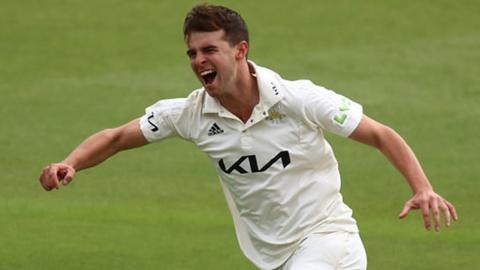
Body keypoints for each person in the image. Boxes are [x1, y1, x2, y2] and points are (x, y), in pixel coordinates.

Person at [39, 4, 458, 270]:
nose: (198, 60)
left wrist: (422, 187)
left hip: (329, 242)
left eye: (208, 50)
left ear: (240, 50)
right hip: (270, 256)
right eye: (192, 53)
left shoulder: (299, 99)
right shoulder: (191, 114)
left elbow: (381, 134)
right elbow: (115, 138)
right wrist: (71, 162)